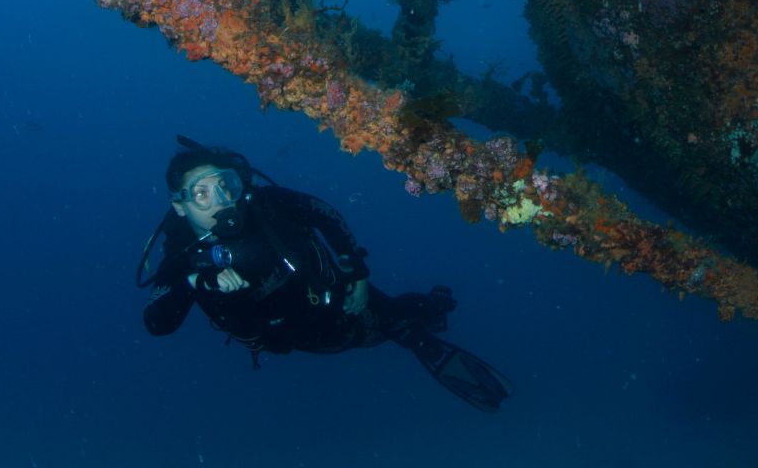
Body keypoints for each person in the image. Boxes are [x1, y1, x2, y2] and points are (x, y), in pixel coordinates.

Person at [137, 136, 511, 411]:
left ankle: (423, 318)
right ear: (180, 206)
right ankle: (413, 324)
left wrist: (357, 271)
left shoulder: (266, 205)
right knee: (361, 336)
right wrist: (196, 280)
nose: (222, 199)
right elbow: (157, 322)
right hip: (297, 335)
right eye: (202, 193)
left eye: (227, 184)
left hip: (341, 293)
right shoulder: (181, 254)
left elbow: (324, 213)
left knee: (390, 317)